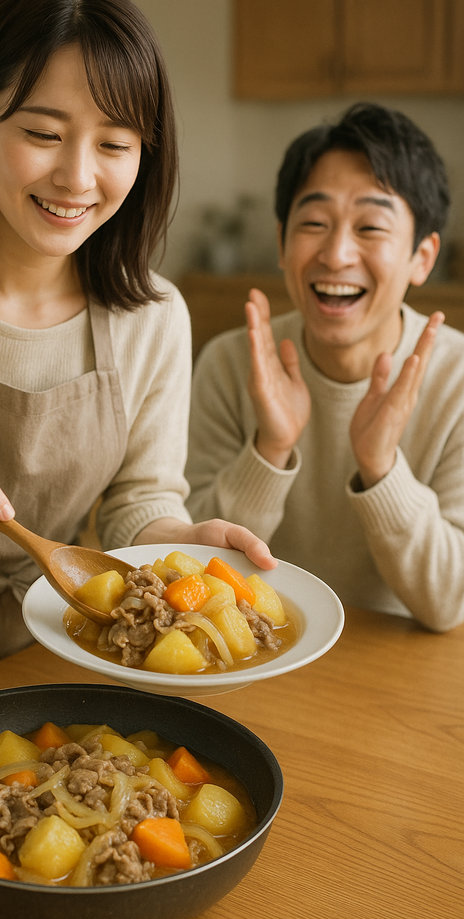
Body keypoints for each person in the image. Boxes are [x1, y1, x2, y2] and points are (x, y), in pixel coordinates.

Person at [0, 0, 274, 745]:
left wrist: (181, 539)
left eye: (115, 143)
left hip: (54, 660)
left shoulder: (153, 314)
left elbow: (137, 504)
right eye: (42, 133)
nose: (77, 176)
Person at [186, 102, 464, 632]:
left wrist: (382, 468)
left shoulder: (457, 381)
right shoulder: (230, 364)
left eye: (371, 227)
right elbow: (196, 574)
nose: (336, 254)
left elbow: (450, 602)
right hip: (260, 654)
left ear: (423, 257)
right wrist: (269, 449)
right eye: (313, 222)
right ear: (282, 243)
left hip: (397, 670)